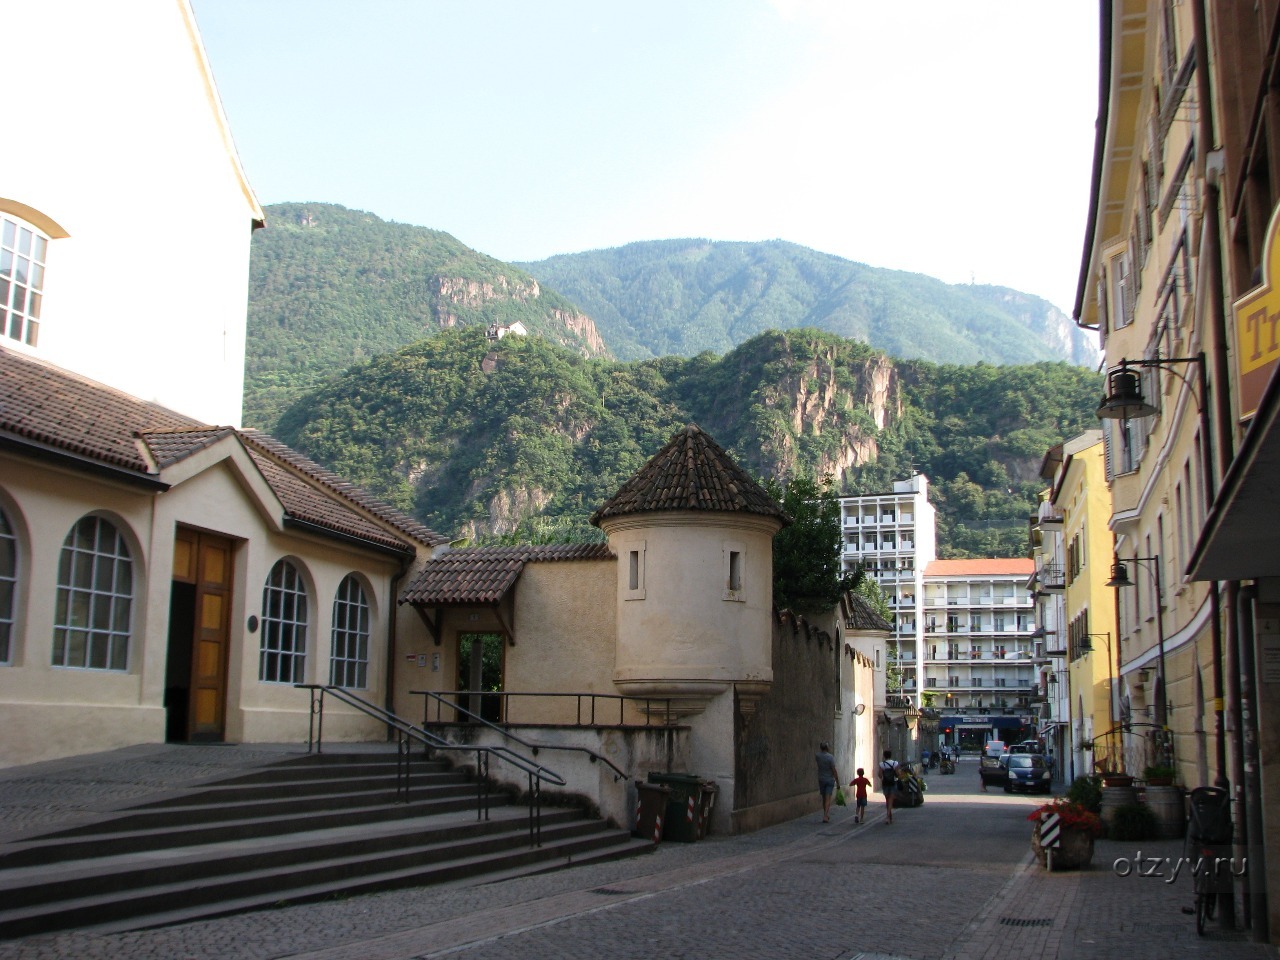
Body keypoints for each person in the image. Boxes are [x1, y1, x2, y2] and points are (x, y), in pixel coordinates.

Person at [815, 741, 839, 823]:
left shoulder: (817, 756)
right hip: (829, 780)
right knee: (828, 798)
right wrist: (837, 781)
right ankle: (825, 815)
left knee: (823, 798)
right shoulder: (830, 757)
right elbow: (834, 770)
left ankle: (825, 814)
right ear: (827, 748)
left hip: (821, 779)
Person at [878, 749, 900, 824]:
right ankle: (888, 816)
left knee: (887, 799)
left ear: (884, 756)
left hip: (885, 783)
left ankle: (889, 815)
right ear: (891, 755)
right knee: (891, 799)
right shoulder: (895, 763)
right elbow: (898, 774)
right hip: (892, 783)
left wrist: (884, 776)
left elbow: (880, 775)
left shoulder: (882, 764)